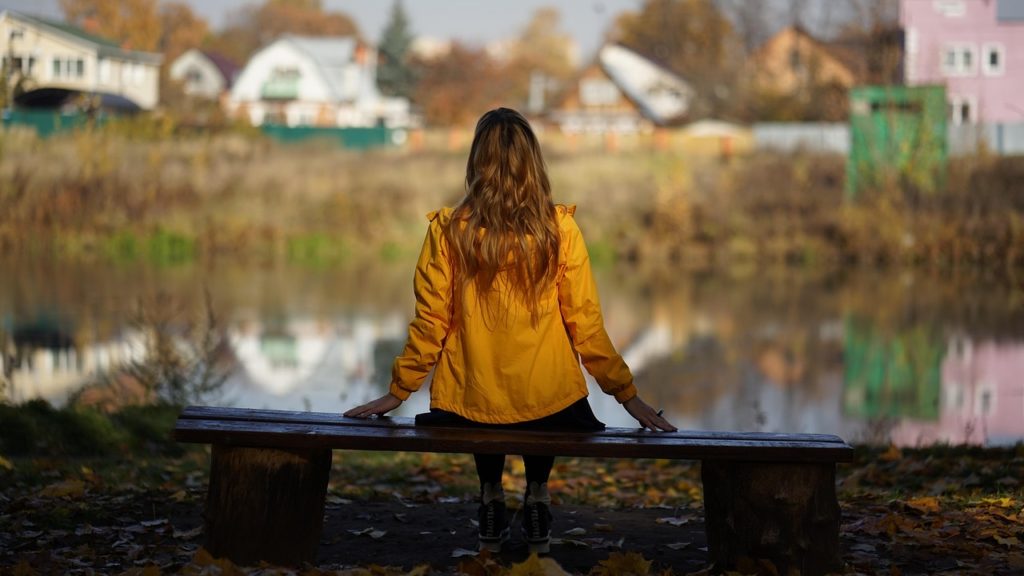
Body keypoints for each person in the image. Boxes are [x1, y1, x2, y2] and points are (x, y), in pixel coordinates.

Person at [345, 107, 676, 555]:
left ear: (475, 162)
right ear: (533, 162)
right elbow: (586, 324)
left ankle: (490, 495)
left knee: (483, 398)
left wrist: (399, 391)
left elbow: (430, 323)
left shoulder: (449, 231)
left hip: (468, 408)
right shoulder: (559, 230)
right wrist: (626, 395)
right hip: (553, 409)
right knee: (544, 395)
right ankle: (537, 494)